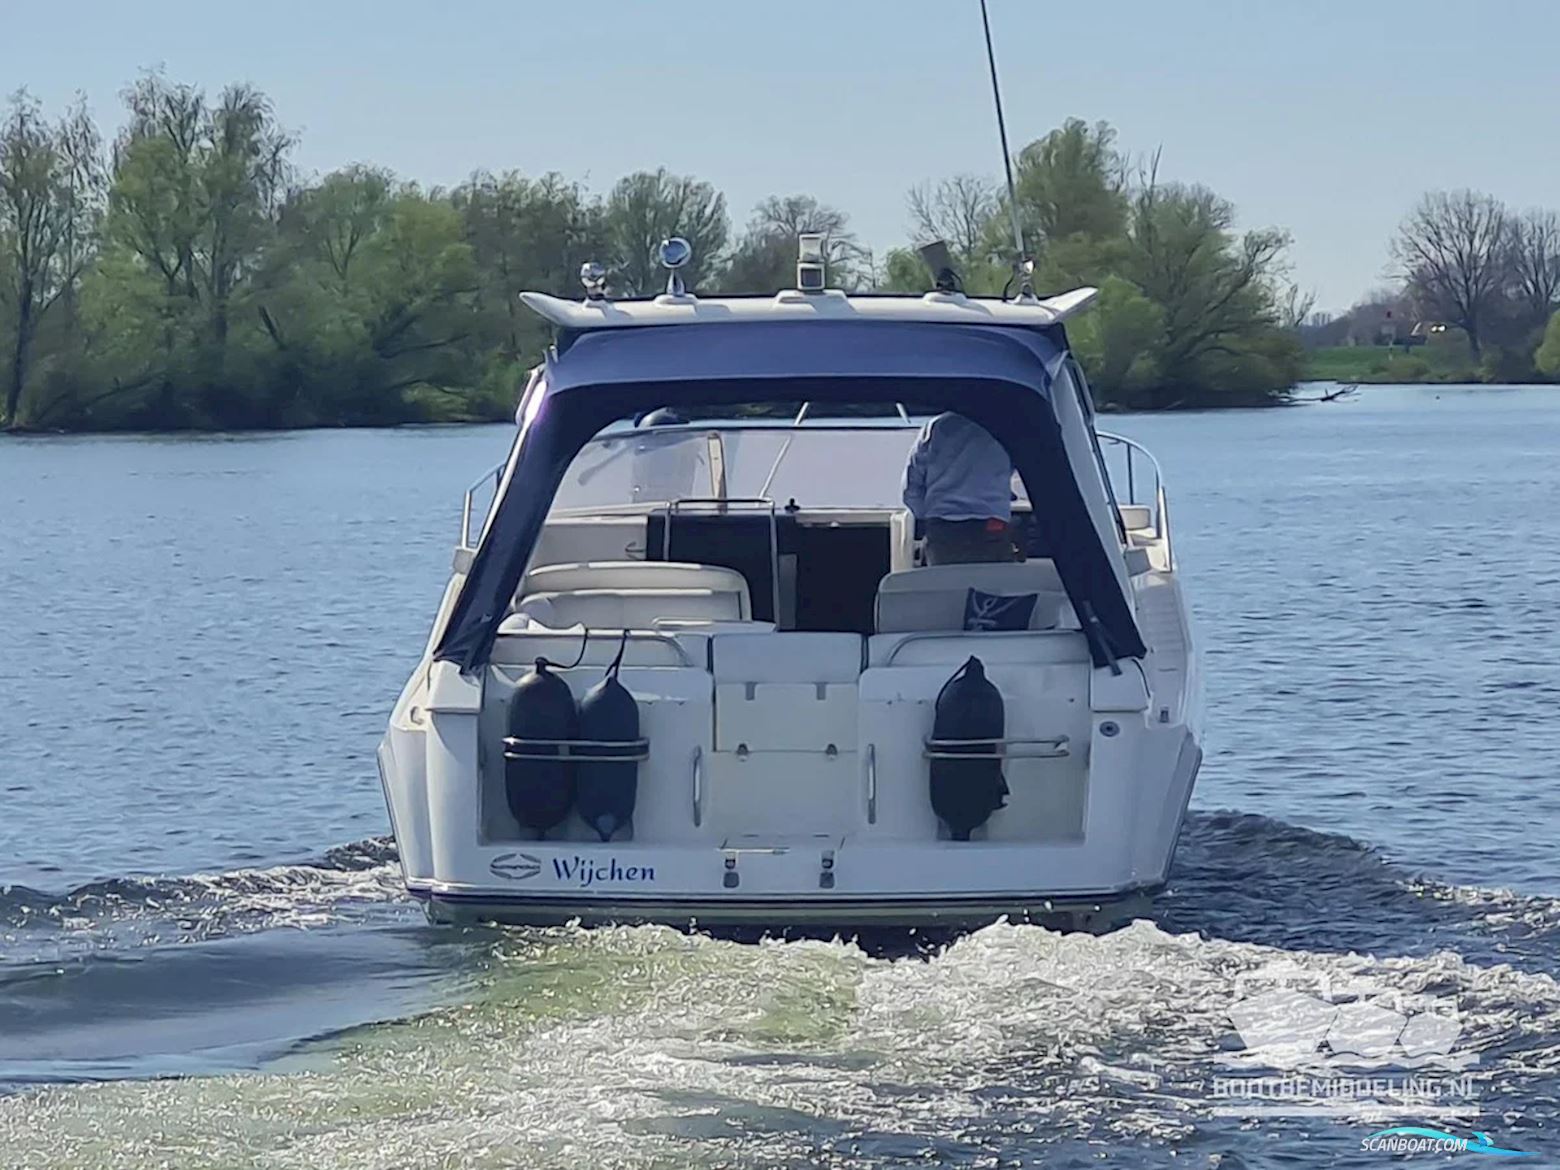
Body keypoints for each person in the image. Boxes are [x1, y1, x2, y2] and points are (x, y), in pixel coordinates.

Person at [901, 412, 1021, 565]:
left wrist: (929, 517)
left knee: (943, 579)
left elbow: (910, 489)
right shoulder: (1005, 428)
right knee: (994, 579)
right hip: (992, 525)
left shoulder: (935, 427)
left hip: (944, 529)